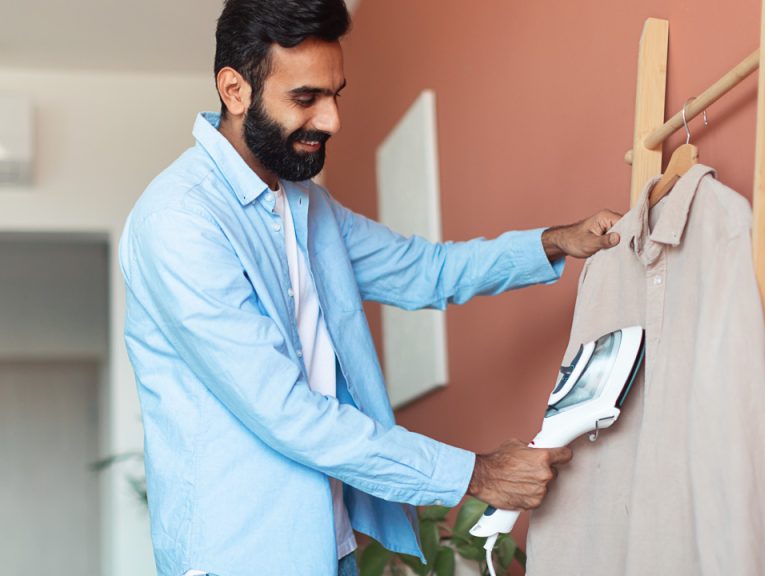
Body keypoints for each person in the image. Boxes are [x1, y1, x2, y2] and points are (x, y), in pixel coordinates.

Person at [119, 1, 621, 574]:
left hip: (328, 544)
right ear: (235, 90)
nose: (332, 121)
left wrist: (558, 241)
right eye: (306, 99)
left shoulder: (306, 205)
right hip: (240, 555)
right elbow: (285, 411)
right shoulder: (179, 222)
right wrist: (475, 475)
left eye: (335, 95)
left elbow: (424, 271)